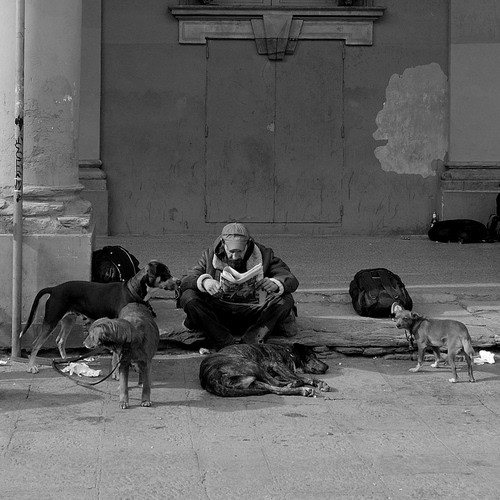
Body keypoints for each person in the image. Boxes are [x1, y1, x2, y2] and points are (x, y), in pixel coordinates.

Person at [179, 222, 299, 351]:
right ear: (223, 244)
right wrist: (205, 282)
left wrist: (275, 283)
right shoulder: (209, 255)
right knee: (189, 296)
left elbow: (290, 278)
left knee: (285, 299)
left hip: (253, 313)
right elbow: (186, 279)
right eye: (231, 252)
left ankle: (250, 344)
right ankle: (224, 344)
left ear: (248, 244)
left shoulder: (265, 254)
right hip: (219, 313)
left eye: (239, 251)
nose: (235, 257)